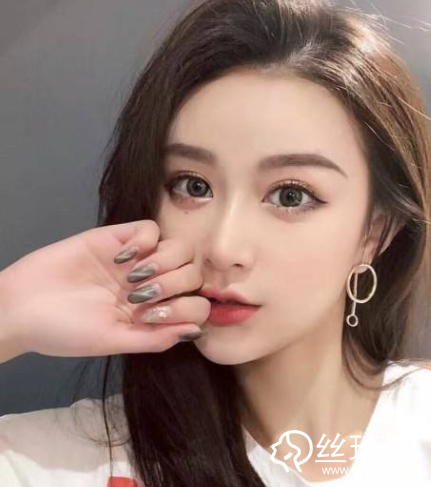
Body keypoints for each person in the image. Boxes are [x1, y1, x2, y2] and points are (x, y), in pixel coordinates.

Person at [1, 0, 431, 485]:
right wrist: (8, 312)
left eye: (291, 195)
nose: (224, 249)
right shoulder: (63, 462)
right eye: (193, 185)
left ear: (375, 234)